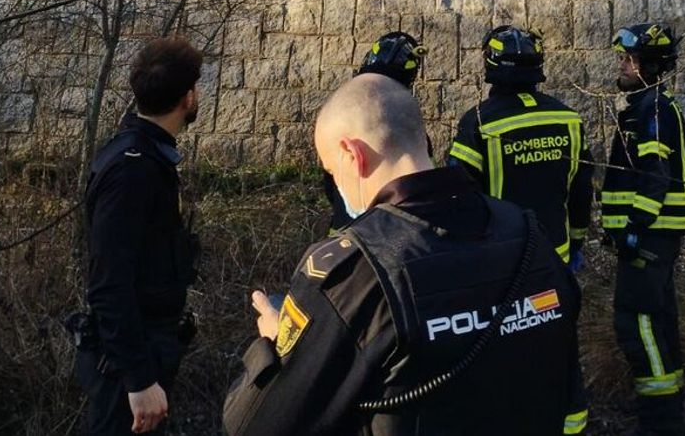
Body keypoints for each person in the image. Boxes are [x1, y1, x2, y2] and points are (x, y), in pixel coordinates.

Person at [224, 74, 583, 435]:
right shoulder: (529, 236)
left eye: (332, 171)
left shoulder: (355, 272)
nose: (336, 186)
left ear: (352, 154)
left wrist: (274, 346)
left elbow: (252, 426)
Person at [75, 37, 202, 435]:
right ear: (188, 97)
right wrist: (138, 378)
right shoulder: (134, 168)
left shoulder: (146, 156)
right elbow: (109, 281)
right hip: (129, 360)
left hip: (147, 347)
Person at [600, 23, 685, 435]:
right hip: (656, 236)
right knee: (658, 319)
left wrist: (634, 228)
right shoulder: (647, 106)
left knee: (636, 320)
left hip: (650, 236)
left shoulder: (653, 110)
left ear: (649, 66)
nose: (622, 65)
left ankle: (659, 420)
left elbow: (655, 175)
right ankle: (668, 407)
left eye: (630, 59)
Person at [447, 25, 594, 269]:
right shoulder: (569, 119)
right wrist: (577, 240)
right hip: (556, 253)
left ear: (490, 65)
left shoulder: (479, 122)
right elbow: (581, 190)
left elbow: (460, 196)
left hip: (504, 259)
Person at [322, 31, 427, 233]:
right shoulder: (407, 129)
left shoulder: (339, 117)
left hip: (343, 236)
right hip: (386, 239)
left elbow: (329, 184)